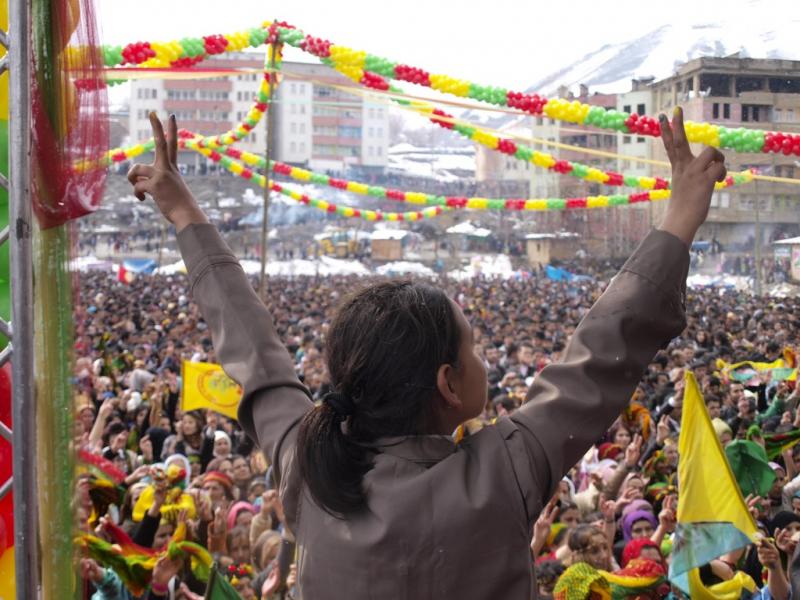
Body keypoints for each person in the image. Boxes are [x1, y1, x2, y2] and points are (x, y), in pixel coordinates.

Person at [126, 107, 725, 598]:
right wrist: (677, 219)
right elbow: (601, 351)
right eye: (473, 350)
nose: (483, 361)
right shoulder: (502, 473)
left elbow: (254, 352)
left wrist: (185, 213)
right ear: (447, 384)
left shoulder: (309, 472)